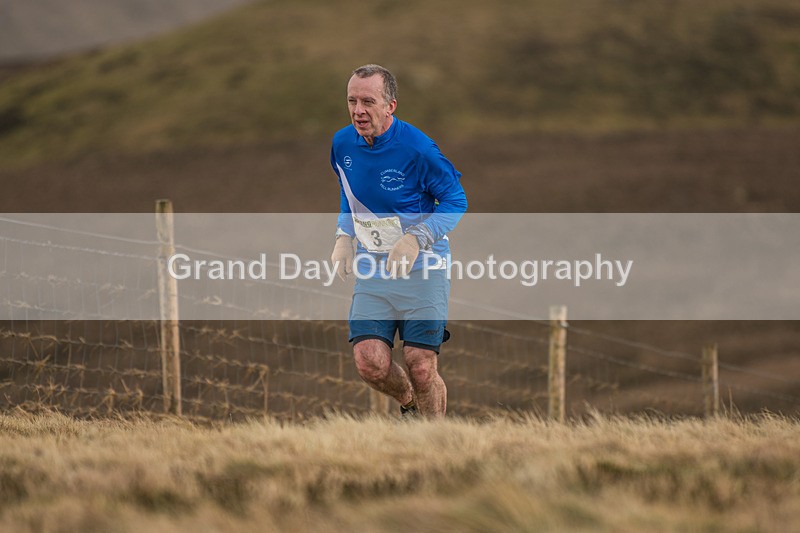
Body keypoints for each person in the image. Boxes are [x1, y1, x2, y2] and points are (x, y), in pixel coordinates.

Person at [330, 64, 467, 419]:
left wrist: (415, 239)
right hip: (375, 269)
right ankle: (411, 407)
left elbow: (456, 201)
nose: (358, 110)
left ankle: (434, 441)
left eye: (368, 101)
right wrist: (344, 236)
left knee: (421, 366)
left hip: (424, 269)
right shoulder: (342, 143)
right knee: (369, 362)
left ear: (391, 105)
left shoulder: (419, 149)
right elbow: (350, 192)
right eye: (352, 101)